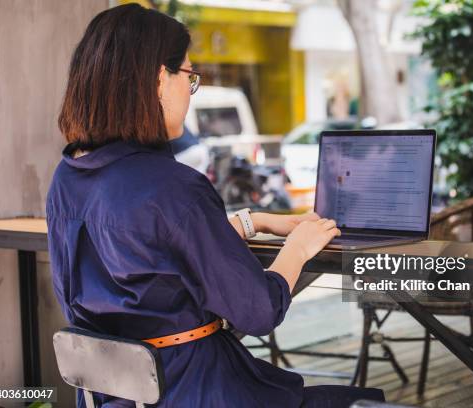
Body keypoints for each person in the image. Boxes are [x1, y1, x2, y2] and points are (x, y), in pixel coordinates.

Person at [47, 4, 385, 407]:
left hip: (114, 397)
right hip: (195, 389)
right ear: (159, 79)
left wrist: (253, 221)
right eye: (190, 77)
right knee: (365, 401)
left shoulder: (67, 179)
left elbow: (148, 256)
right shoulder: (173, 186)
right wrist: (299, 246)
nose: (191, 94)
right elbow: (258, 311)